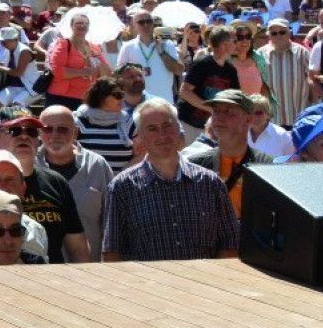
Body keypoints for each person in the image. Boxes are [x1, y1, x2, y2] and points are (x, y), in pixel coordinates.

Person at [102, 99, 240, 261]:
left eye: (167, 126)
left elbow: (230, 244)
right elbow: (112, 251)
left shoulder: (210, 183)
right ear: (141, 137)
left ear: (179, 129)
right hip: (147, 284)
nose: (162, 135)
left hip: (204, 283)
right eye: (152, 129)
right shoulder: (121, 188)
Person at [0, 108, 90, 263]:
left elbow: (77, 247)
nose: (24, 136)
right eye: (14, 130)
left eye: (31, 131)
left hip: (47, 280)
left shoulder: (56, 182)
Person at [36, 105, 113, 261]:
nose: (54, 135)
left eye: (62, 129)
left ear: (75, 132)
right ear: (39, 133)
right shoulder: (29, 165)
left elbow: (111, 222)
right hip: (40, 268)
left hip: (88, 267)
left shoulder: (97, 166)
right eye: (48, 129)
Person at [180, 89, 272, 217]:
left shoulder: (267, 167)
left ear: (248, 120)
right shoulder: (194, 166)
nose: (219, 117)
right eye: (216, 111)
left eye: (229, 111)